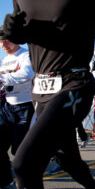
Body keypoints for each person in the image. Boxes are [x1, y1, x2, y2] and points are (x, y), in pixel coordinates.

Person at [2, 0, 95, 188]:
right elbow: (26, 31)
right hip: (40, 88)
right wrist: (13, 32)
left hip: (74, 82)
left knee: (25, 164)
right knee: (65, 158)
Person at [0, 28, 35, 189]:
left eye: (6, 40)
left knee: (18, 151)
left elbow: (27, 73)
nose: (3, 44)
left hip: (26, 107)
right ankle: (6, 182)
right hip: (8, 108)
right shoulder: (4, 60)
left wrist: (2, 78)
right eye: (0, 41)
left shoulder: (25, 54)